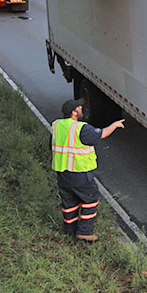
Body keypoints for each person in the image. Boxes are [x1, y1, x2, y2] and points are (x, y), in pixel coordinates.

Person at [51, 98, 125, 242]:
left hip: (62, 173)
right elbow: (102, 134)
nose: (81, 109)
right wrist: (115, 125)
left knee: (69, 202)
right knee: (90, 198)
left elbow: (52, 145)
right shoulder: (81, 128)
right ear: (74, 112)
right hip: (80, 174)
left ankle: (69, 229)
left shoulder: (56, 125)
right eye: (79, 107)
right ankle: (84, 232)